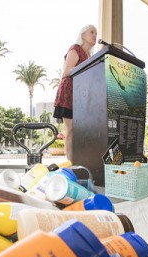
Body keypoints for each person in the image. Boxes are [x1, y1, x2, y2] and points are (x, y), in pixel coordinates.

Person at [53, 24, 97, 162]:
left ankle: (80, 161)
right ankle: (71, 164)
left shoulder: (91, 56)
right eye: (92, 32)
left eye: (96, 33)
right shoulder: (75, 49)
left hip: (83, 97)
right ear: (83, 35)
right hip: (69, 95)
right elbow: (66, 71)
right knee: (71, 130)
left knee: (82, 132)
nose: (95, 35)